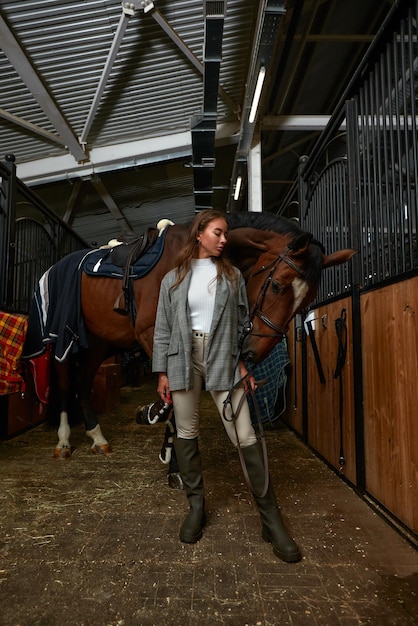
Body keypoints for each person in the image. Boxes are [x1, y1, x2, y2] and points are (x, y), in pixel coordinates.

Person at [152, 209, 301, 563]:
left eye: (225, 234)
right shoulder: (172, 279)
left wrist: (242, 363)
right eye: (218, 233)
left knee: (245, 435)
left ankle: (271, 519)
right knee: (187, 432)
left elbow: (240, 324)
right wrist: (162, 373)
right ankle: (196, 506)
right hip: (182, 357)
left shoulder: (233, 276)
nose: (223, 239)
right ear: (199, 234)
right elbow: (162, 329)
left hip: (223, 355)